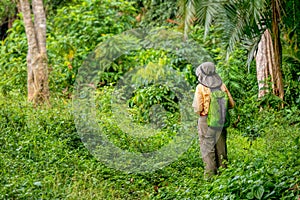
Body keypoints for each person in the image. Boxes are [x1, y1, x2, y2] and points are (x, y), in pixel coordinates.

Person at [192, 62, 235, 178]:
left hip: (205, 121)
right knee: (221, 149)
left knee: (208, 149)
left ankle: (210, 176)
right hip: (220, 121)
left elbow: (198, 108)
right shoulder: (222, 86)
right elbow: (231, 104)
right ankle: (225, 175)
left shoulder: (200, 87)